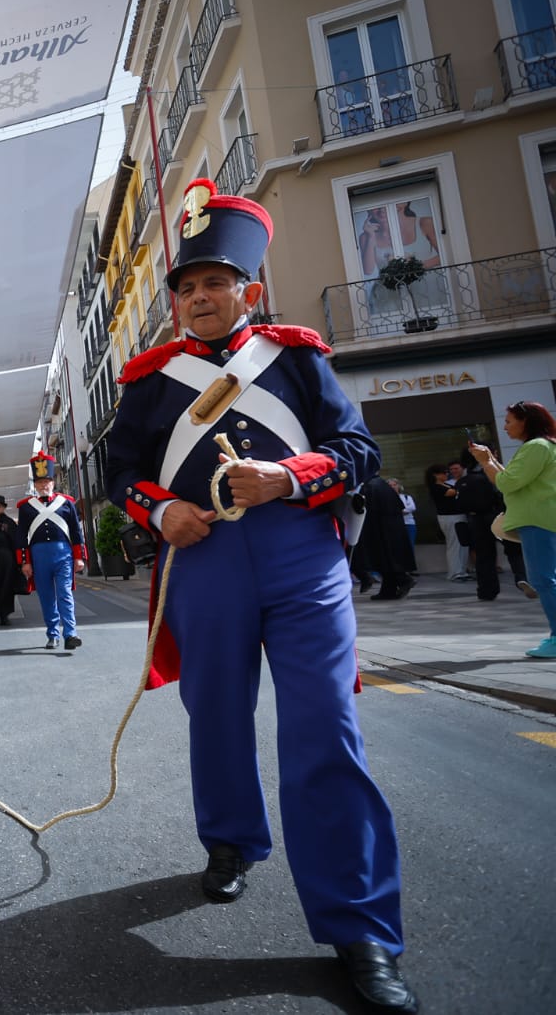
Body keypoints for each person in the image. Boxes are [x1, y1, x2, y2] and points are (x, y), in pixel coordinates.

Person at [103, 178, 417, 1013]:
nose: (201, 298)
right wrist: (159, 507)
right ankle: (233, 841)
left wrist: (287, 474)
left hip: (300, 555)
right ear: (176, 303)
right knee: (216, 713)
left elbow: (358, 448)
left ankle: (361, 927)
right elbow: (118, 469)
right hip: (201, 557)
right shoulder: (149, 378)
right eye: (188, 287)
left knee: (324, 727)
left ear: (248, 290)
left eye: (215, 283)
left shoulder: (296, 356)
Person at [470, 401, 556, 657]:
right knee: (546, 578)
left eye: (509, 421)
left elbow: (507, 484)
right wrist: (491, 460)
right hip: (541, 519)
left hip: (537, 520)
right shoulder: (543, 446)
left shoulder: (536, 447)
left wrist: (487, 462)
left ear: (525, 421)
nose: (505, 426)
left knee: (544, 579)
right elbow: (513, 480)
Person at [14, 453, 87, 649]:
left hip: (63, 554)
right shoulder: (26, 507)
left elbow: (75, 531)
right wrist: (25, 561)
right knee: (46, 596)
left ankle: (70, 634)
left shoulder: (66, 503)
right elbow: (21, 537)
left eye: (47, 481)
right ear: (35, 485)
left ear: (53, 483)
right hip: (38, 557)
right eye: (39, 482)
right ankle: (52, 633)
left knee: (65, 593)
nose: (43, 485)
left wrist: (79, 557)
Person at [457, 447, 532, 601]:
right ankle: (522, 578)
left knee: (484, 555)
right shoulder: (492, 475)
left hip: (476, 520)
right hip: (498, 516)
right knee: (513, 550)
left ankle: (486, 590)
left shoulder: (464, 480)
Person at [355, 475, 415, 601]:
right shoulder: (379, 485)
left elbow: (365, 509)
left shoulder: (370, 486)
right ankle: (389, 590)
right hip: (389, 528)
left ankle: (402, 580)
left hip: (381, 530)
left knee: (383, 557)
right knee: (386, 558)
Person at [425, 463, 468, 580]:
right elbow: (455, 492)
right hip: (449, 517)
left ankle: (462, 571)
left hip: (458, 516)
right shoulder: (436, 487)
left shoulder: (446, 485)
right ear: (436, 475)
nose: (446, 474)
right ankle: (455, 572)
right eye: (444, 472)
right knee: (454, 544)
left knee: (462, 545)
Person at [391, 479, 416, 549]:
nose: (393, 487)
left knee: (410, 545)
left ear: (399, 486)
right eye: (390, 485)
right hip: (394, 525)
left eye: (394, 485)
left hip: (409, 524)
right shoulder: (385, 499)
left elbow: (412, 507)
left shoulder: (407, 497)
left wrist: (397, 512)